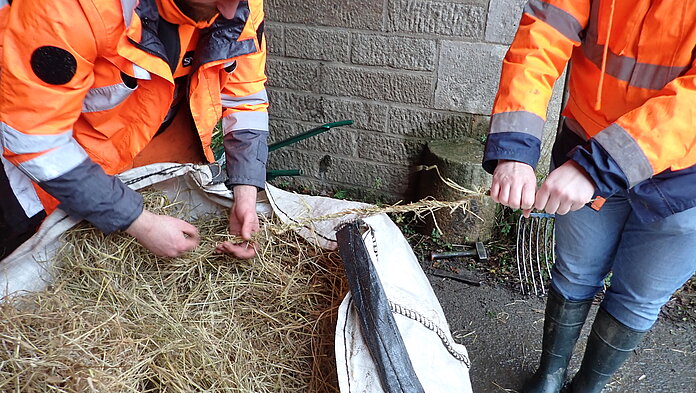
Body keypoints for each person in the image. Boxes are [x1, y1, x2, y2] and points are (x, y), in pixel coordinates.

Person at [482, 1, 696, 392]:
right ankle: (550, 374)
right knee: (575, 272)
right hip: (587, 145)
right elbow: (541, 39)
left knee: (640, 296)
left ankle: (588, 386)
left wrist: (598, 167)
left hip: (684, 181)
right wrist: (515, 148)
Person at [0, 0, 268, 260]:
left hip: (140, 149)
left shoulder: (241, 6)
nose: (230, 10)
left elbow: (245, 99)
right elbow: (35, 139)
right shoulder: (71, 8)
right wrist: (138, 221)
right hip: (44, 174)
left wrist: (245, 191)